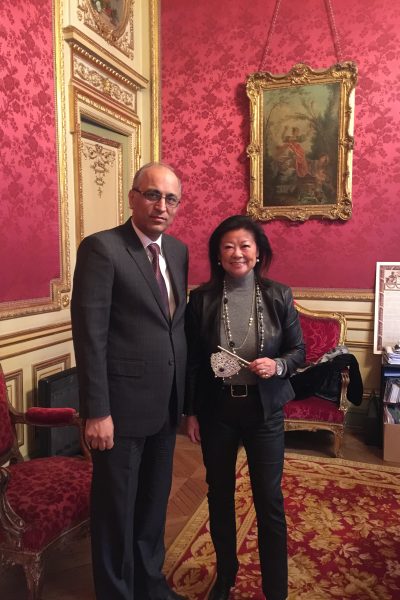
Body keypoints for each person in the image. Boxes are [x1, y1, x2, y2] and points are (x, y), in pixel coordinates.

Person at [71, 162, 188, 600]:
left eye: (171, 199)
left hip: (165, 404)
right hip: (118, 409)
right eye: (152, 194)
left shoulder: (177, 251)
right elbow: (91, 336)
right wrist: (96, 411)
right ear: (133, 197)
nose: (162, 206)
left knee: (153, 506)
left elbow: (174, 327)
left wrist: (187, 402)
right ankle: (117, 593)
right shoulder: (102, 248)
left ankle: (150, 585)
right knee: (115, 512)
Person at [184, 215, 305, 600]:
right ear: (218, 255)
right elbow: (192, 362)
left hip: (263, 412)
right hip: (217, 412)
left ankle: (276, 589)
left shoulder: (278, 295)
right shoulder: (201, 299)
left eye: (245, 245)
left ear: (258, 252)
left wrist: (278, 365)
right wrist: (190, 412)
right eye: (228, 246)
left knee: (269, 500)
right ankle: (225, 577)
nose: (237, 253)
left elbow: (298, 351)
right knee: (219, 494)